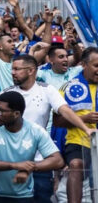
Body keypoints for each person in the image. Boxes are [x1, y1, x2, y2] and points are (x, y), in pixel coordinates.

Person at [8, 54, 93, 203]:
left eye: (17, 69)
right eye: (12, 69)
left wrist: (85, 128)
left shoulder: (47, 90)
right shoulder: (6, 94)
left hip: (40, 161)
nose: (13, 73)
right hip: (12, 160)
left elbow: (65, 110)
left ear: (31, 70)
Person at [0, 91, 64, 202]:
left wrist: (29, 168)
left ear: (16, 114)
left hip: (23, 196)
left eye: (1, 111)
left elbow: (57, 160)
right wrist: (15, 165)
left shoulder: (35, 131)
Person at [55, 47, 98, 203]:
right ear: (84, 65)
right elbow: (57, 121)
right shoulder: (68, 88)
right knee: (76, 164)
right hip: (79, 142)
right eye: (96, 66)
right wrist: (84, 119)